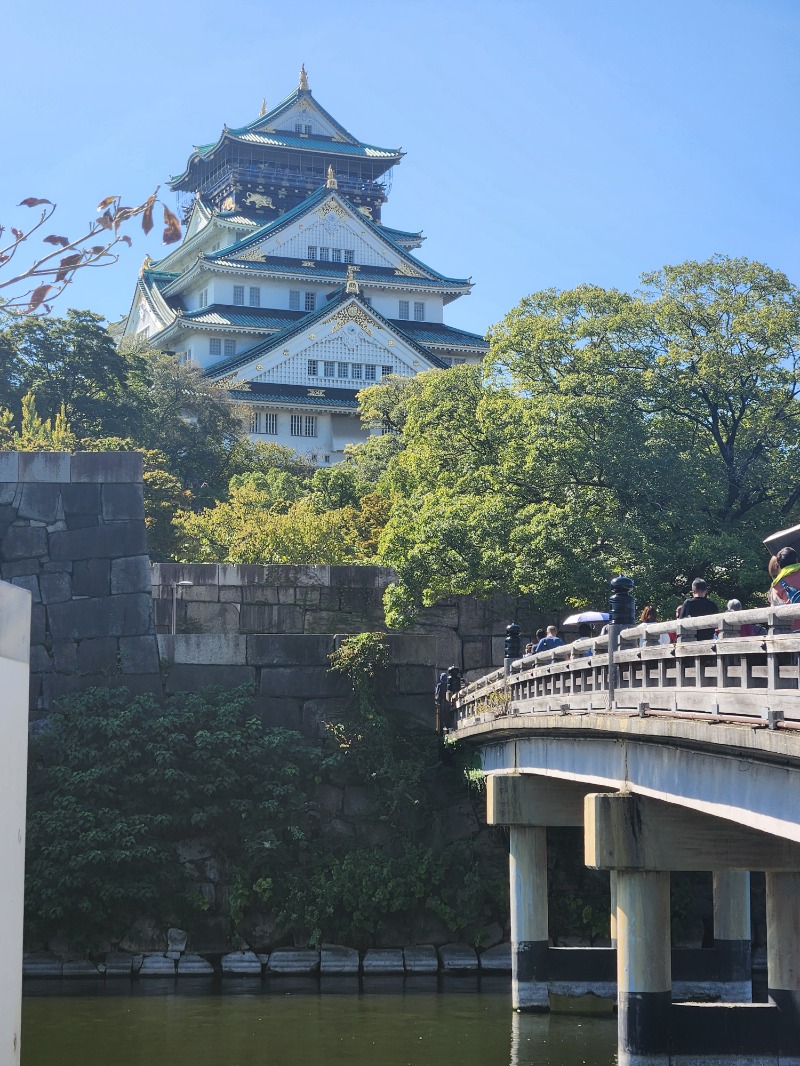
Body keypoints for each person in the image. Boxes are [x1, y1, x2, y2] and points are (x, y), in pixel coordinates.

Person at [768, 546, 800, 630]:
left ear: (779, 565)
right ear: (796, 560)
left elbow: (774, 611)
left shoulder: (777, 585)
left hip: (793, 630)